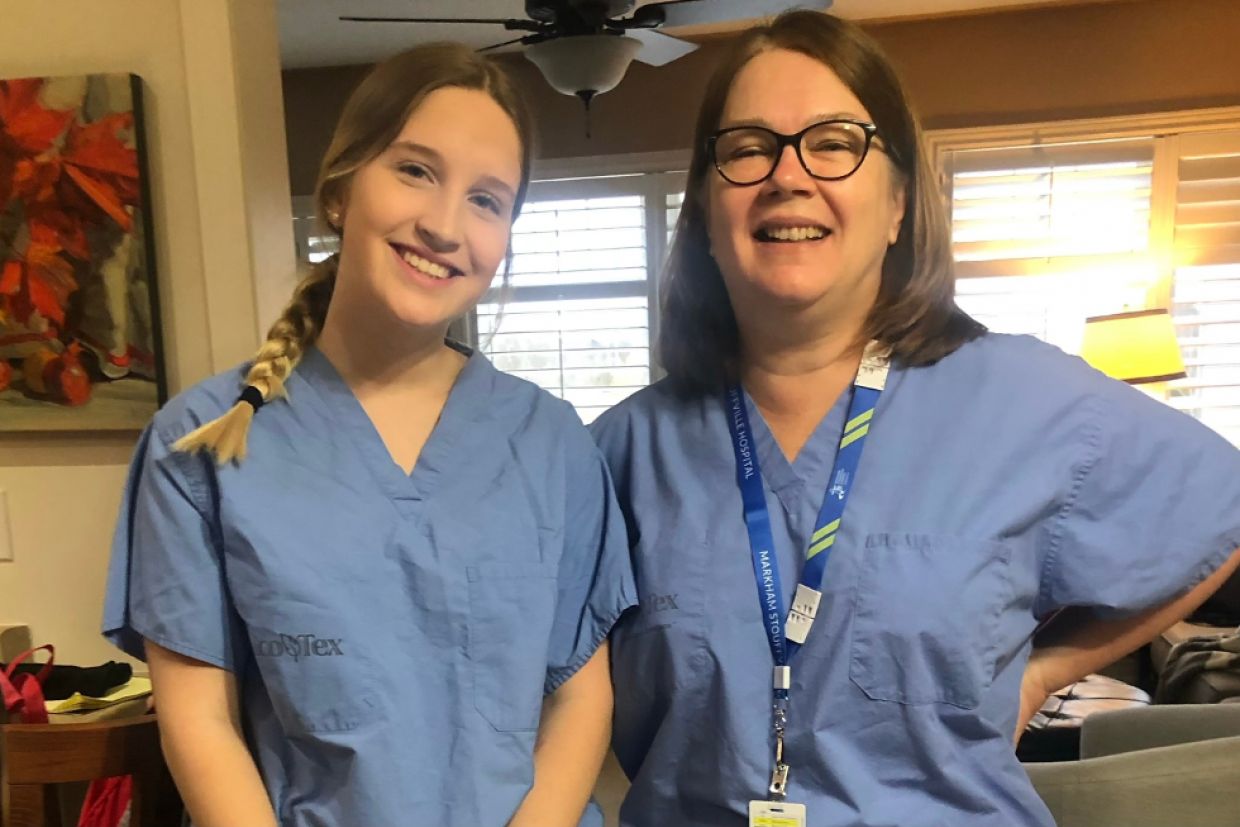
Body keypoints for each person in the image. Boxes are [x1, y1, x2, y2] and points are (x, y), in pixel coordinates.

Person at [589, 11, 1240, 826]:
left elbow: (1221, 512)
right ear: (707, 212)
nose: (787, 175)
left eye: (833, 141)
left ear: (898, 202)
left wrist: (1044, 671)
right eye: (748, 146)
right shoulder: (617, 453)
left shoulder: (1025, 399)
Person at [102, 42, 635, 827]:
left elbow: (580, 697)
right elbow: (198, 719)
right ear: (341, 188)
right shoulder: (202, 443)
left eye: (488, 200)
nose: (445, 224)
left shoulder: (552, 443)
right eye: (415, 170)